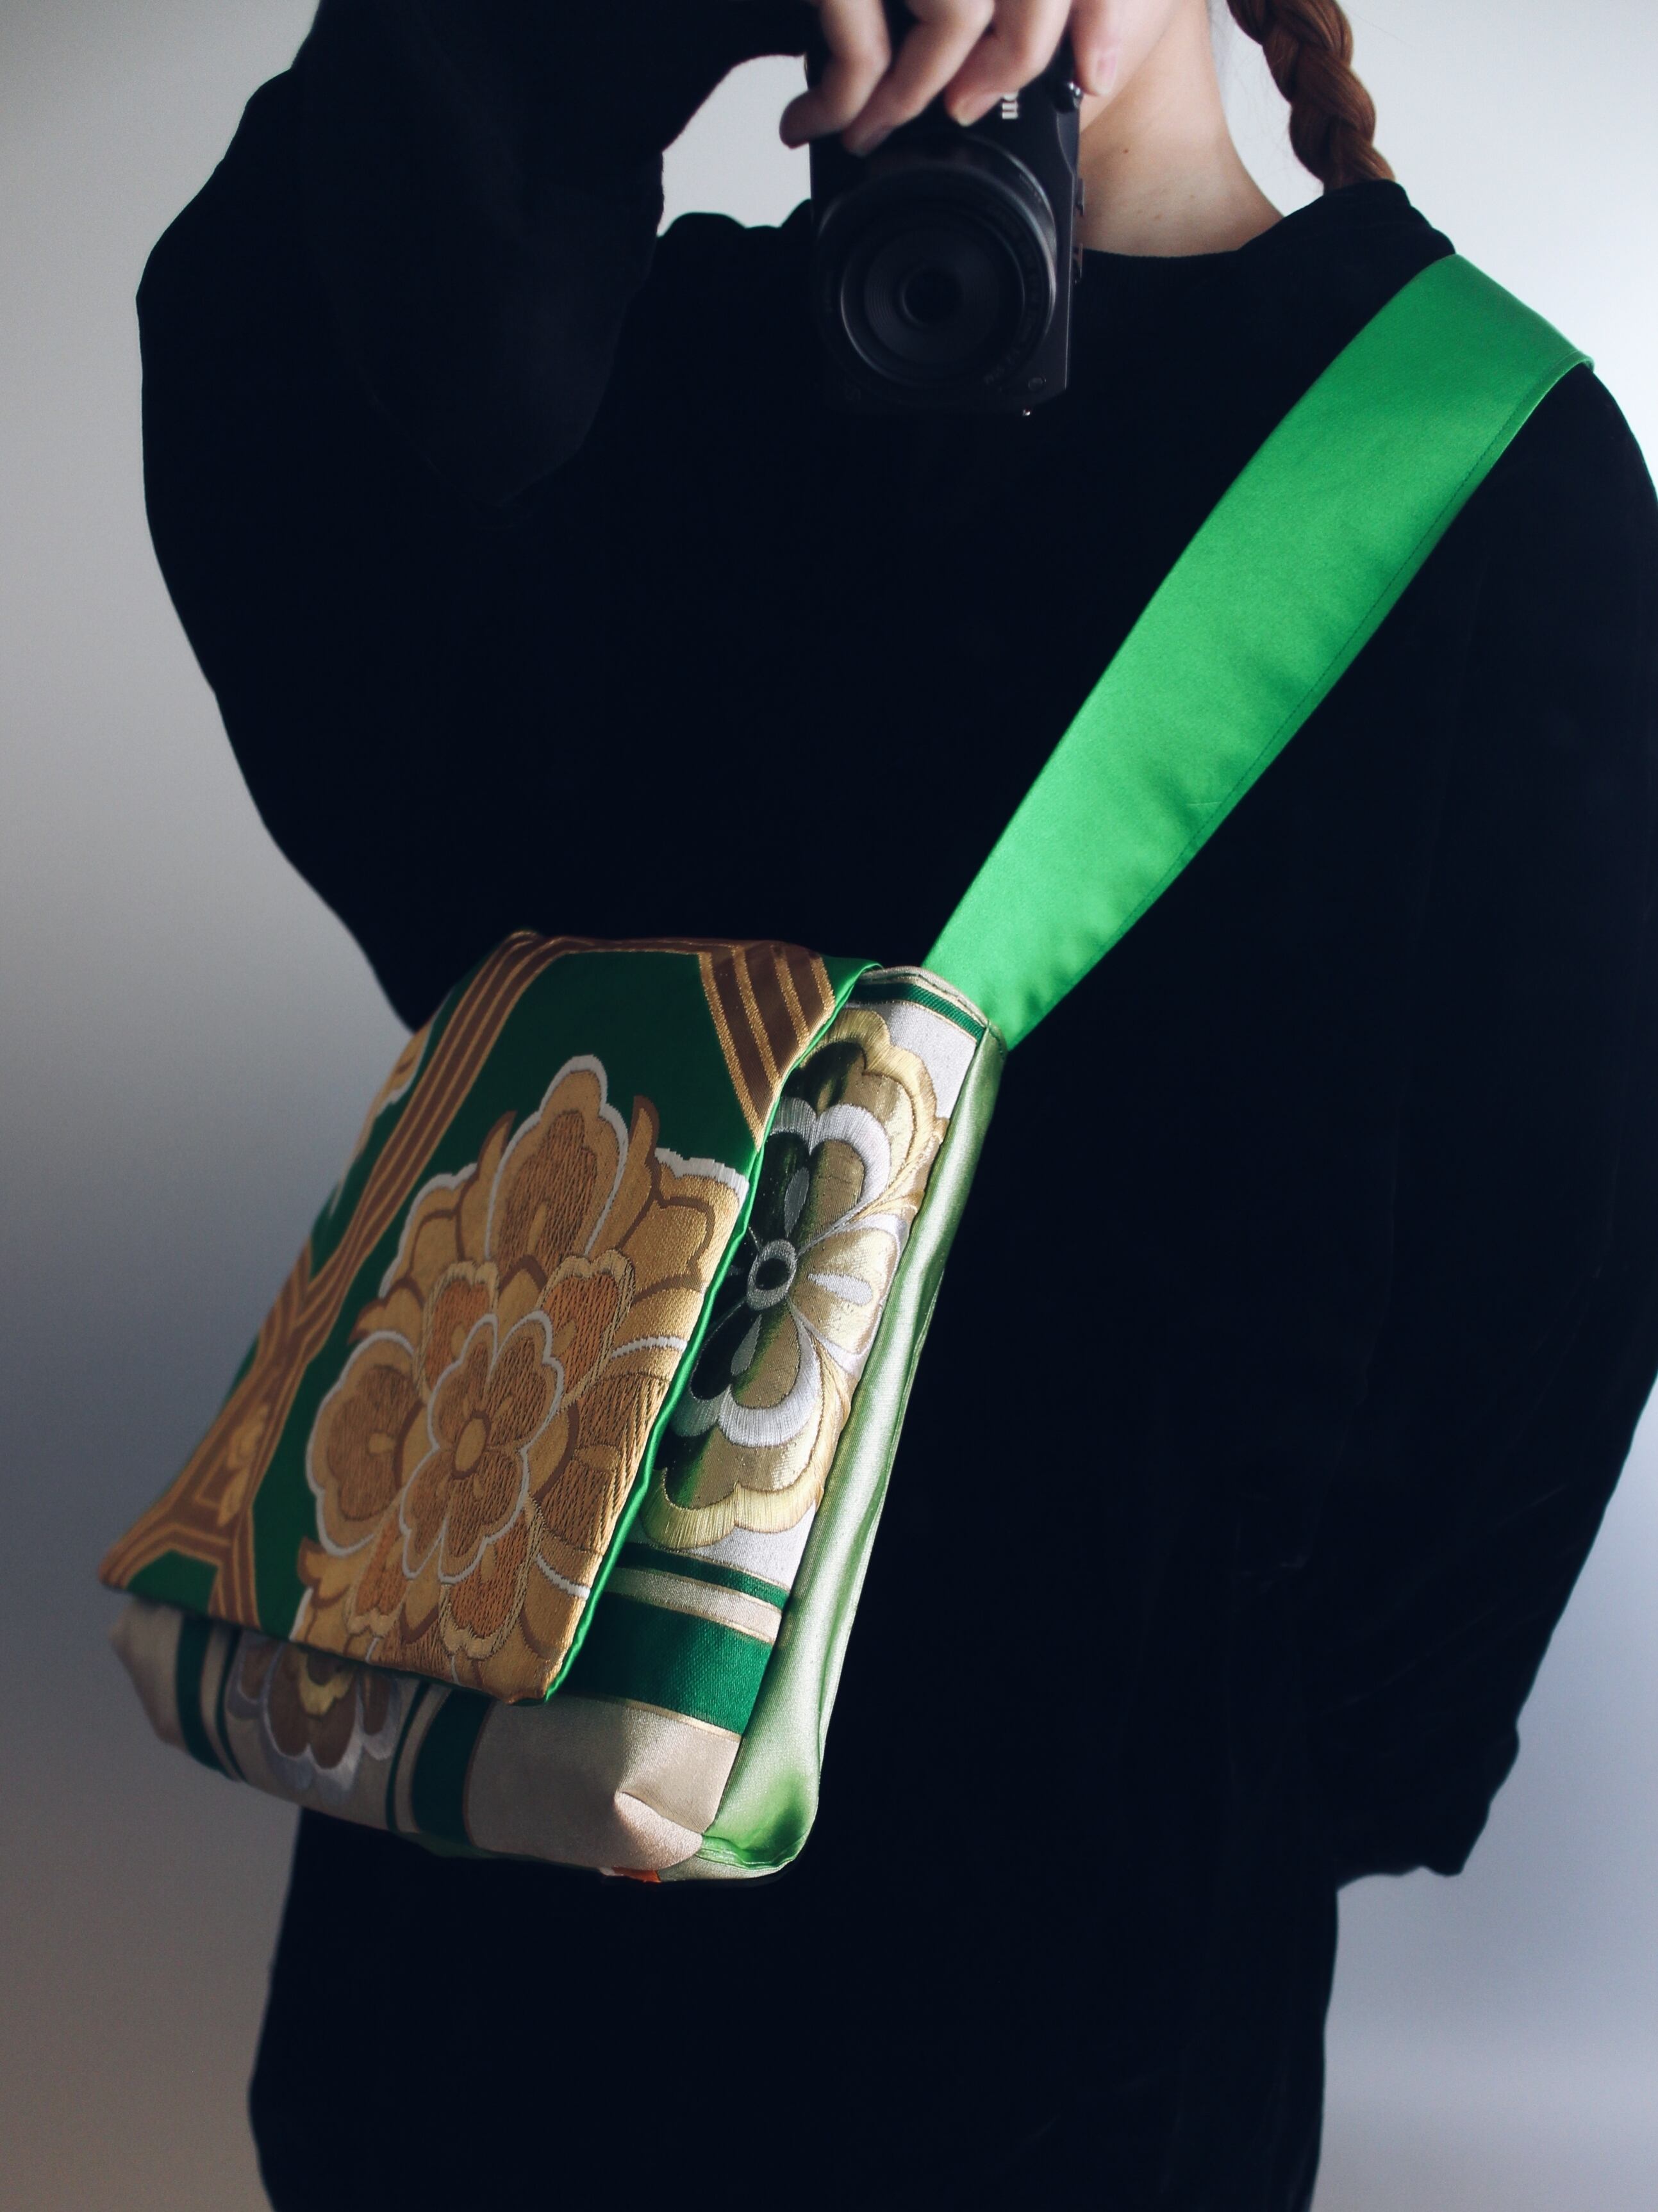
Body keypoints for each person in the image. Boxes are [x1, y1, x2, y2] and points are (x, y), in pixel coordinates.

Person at [132, 1, 1658, 2204]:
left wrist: (1214, 1795)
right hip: (484, 1909)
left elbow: (1546, 1301)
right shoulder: (613, 358)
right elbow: (289, 455)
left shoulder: (1486, 466)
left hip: (1058, 2006)